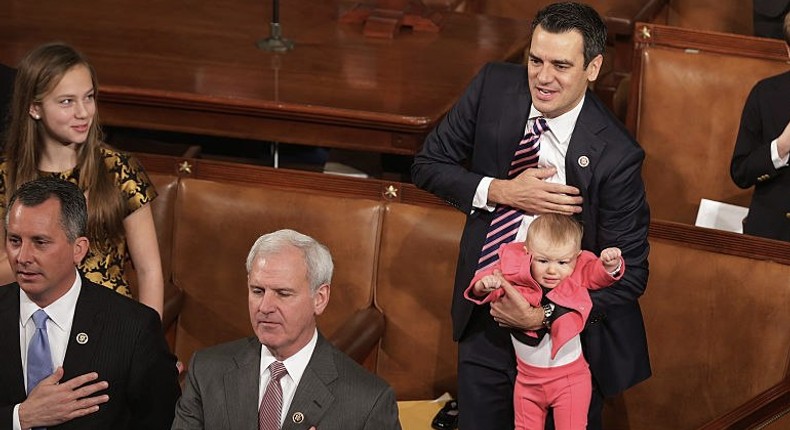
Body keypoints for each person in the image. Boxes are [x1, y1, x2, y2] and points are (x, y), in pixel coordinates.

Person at [411, 2, 651, 429]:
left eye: (560, 65)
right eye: (535, 60)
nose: (542, 77)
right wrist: (503, 191)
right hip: (487, 318)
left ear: (592, 68)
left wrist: (543, 316)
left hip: (566, 343)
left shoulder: (617, 155)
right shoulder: (493, 87)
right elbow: (428, 165)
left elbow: (630, 275)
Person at [172, 229, 402, 430]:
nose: (265, 307)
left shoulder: (368, 401)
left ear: (319, 299)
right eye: (257, 291)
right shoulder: (207, 371)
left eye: (283, 293)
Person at [0, 176, 180, 429]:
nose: (23, 257)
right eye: (15, 241)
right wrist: (20, 417)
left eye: (40, 242)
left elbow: (163, 422)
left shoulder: (133, 327)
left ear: (79, 249)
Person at [0, 42, 164, 318]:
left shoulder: (117, 169)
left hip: (110, 322)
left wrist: (151, 347)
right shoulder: (7, 175)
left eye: (88, 97)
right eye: (67, 101)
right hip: (34, 322)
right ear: (34, 108)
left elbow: (149, 272)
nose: (83, 112)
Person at [465, 214, 623, 430]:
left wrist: (610, 265)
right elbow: (484, 284)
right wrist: (483, 286)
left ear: (576, 258)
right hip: (527, 382)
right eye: (543, 261)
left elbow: (596, 274)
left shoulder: (576, 273)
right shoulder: (514, 274)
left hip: (570, 381)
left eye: (562, 262)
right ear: (527, 253)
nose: (552, 270)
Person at [731, 11, 790, 242]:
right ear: (788, 50)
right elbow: (741, 172)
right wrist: (780, 148)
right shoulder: (765, 94)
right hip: (771, 233)